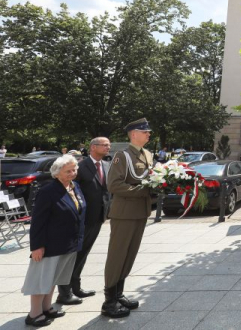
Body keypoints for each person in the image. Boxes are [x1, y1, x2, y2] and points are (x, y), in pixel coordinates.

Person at [22, 155, 85, 327]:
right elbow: (38, 221)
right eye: (68, 171)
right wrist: (37, 246)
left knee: (53, 278)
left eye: (74, 170)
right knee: (41, 279)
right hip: (49, 244)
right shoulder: (48, 191)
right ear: (56, 173)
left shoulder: (75, 186)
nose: (72, 173)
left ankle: (46, 307)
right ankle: (34, 314)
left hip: (68, 243)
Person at [102, 118, 153, 318]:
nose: (149, 134)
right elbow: (114, 185)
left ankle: (119, 293)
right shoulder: (122, 156)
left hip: (141, 211)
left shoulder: (146, 154)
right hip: (124, 213)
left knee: (129, 255)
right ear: (133, 134)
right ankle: (109, 301)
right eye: (145, 131)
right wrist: (142, 191)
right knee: (117, 255)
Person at [56, 137, 111, 304]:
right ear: (93, 147)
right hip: (80, 218)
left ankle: (75, 287)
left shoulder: (107, 165)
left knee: (83, 253)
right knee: (72, 255)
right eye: (105, 145)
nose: (108, 147)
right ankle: (64, 293)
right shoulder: (80, 166)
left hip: (98, 217)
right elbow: (69, 188)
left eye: (109, 145)